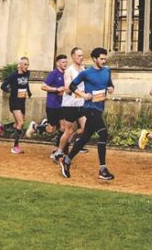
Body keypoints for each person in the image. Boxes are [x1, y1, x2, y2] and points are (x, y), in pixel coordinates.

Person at [58, 47, 115, 181]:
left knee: (85, 138)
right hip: (89, 108)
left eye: (105, 58)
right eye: (101, 58)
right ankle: (102, 169)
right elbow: (72, 86)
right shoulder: (86, 73)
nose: (103, 61)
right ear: (95, 59)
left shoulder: (107, 71)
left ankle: (67, 160)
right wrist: (83, 94)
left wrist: (111, 89)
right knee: (103, 133)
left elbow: (110, 85)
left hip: (99, 107)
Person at [53, 47, 86, 162]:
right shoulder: (69, 71)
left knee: (86, 128)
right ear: (73, 57)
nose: (81, 58)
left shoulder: (83, 69)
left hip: (80, 104)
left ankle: (71, 139)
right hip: (70, 105)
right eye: (79, 56)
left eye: (82, 55)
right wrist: (79, 92)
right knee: (68, 130)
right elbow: (67, 89)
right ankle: (58, 152)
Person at [0, 56, 32, 153]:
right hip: (14, 101)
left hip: (22, 101)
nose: (27, 66)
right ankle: (15, 147)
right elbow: (3, 86)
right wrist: (10, 90)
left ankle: (2, 127)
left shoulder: (27, 73)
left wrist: (28, 92)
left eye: (28, 64)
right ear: (20, 65)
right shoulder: (13, 75)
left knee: (19, 124)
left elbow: (26, 83)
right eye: (25, 64)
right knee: (20, 123)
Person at [37, 54, 67, 147]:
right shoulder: (53, 74)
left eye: (66, 62)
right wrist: (56, 89)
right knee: (51, 129)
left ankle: (57, 147)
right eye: (63, 62)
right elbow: (43, 86)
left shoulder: (65, 74)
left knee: (63, 127)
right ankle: (38, 127)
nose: (65, 64)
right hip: (52, 105)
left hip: (61, 105)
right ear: (58, 63)